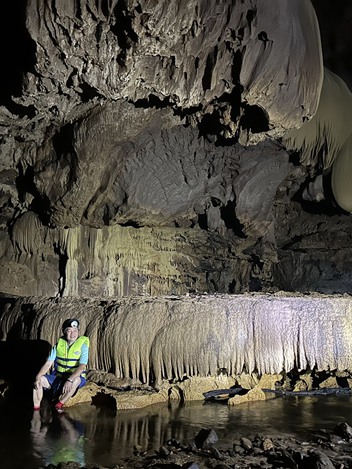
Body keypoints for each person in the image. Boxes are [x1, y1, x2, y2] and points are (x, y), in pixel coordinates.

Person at [33, 318, 89, 413]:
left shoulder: (83, 346)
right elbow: (48, 363)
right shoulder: (58, 345)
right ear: (64, 332)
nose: (73, 333)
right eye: (69, 330)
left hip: (75, 378)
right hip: (59, 377)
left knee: (76, 380)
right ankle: (36, 409)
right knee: (39, 380)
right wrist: (38, 377)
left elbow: (82, 366)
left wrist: (69, 380)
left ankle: (59, 404)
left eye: (75, 331)